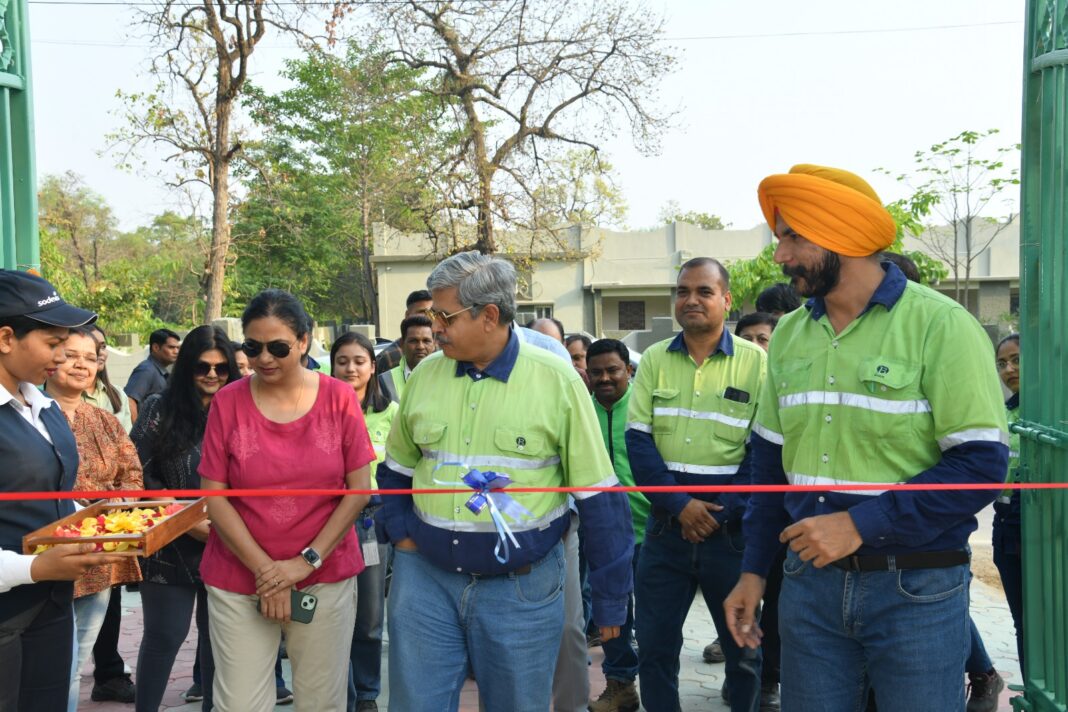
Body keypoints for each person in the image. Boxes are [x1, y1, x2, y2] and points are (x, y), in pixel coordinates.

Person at [725, 164, 1009, 711]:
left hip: (917, 591)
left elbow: (979, 466)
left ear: (844, 236)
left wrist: (860, 524)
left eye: (792, 237)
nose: (780, 256)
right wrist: (754, 570)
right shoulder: (788, 336)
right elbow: (768, 468)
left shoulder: (942, 326)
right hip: (809, 587)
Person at [377, 251, 634, 712]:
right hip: (425, 585)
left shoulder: (558, 381)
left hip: (522, 591)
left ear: (490, 315)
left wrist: (613, 599)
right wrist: (403, 540)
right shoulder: (424, 376)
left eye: (444, 315)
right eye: (431, 315)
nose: (435, 328)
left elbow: (599, 499)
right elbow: (394, 471)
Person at [198, 289, 374, 712]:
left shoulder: (339, 397)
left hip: (323, 574)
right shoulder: (227, 401)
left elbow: (359, 490)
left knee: (321, 701)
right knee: (238, 704)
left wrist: (304, 563)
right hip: (239, 577)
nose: (264, 359)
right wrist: (267, 571)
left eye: (278, 347)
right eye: (252, 347)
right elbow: (214, 496)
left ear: (304, 341)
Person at [626, 257, 765, 712]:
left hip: (732, 532)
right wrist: (681, 506)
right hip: (666, 531)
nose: (691, 300)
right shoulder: (652, 362)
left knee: (743, 652)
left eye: (704, 291)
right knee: (655, 649)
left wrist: (715, 511)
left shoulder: (757, 364)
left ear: (726, 300)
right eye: (683, 291)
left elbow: (763, 451)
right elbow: (639, 444)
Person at [0, 269, 124, 711]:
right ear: (6, 338)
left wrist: (105, 522)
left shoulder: (44, 407)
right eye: (53, 344)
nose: (61, 357)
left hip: (52, 603)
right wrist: (34, 569)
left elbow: (53, 491)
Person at [130, 325, 238, 712]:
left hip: (231, 543)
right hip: (169, 541)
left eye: (221, 368)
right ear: (186, 366)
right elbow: (135, 470)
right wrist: (184, 519)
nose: (212, 375)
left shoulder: (244, 408)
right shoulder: (160, 407)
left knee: (220, 643)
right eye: (202, 367)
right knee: (165, 636)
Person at [42, 326, 145, 711]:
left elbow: (132, 473)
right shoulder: (27, 414)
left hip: (97, 557)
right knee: (48, 659)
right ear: (49, 358)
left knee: (75, 658)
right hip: (41, 554)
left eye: (89, 357)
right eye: (70, 355)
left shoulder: (104, 420)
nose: (81, 365)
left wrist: (120, 499)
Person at [331, 331, 398, 712]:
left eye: (359, 361)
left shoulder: (391, 411)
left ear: (373, 367)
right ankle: (342, 692)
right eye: (342, 361)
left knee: (370, 617)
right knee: (331, 613)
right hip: (329, 522)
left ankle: (367, 694)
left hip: (373, 523)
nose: (350, 368)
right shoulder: (318, 409)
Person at [587, 338, 648, 712]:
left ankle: (658, 684)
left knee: (655, 618)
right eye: (597, 372)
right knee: (613, 616)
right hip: (603, 535)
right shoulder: (582, 411)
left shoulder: (644, 407)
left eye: (613, 370)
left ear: (629, 370)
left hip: (649, 529)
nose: (605, 378)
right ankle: (620, 685)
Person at [993, 335, 1024, 669]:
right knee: (1023, 621)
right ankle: (1034, 688)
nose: (1009, 369)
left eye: (1016, 359)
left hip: (1041, 517)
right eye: (1002, 363)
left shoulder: (1052, 412)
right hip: (1004, 522)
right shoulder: (1002, 411)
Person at [84, 325, 133, 433]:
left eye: (103, 346)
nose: (100, 352)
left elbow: (127, 440)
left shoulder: (118, 394)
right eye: (93, 346)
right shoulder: (66, 396)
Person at [125, 328, 180, 422]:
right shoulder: (146, 370)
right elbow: (129, 401)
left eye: (177, 348)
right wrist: (136, 434)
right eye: (171, 347)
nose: (176, 351)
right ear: (156, 348)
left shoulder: (159, 371)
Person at [378, 315, 435, 404]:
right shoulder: (384, 381)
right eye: (413, 341)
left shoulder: (447, 377)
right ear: (402, 344)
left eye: (426, 341)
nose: (420, 346)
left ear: (434, 344)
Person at [376, 290, 434, 374]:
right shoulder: (388, 358)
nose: (428, 317)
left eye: (432, 313)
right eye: (422, 312)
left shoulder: (446, 350)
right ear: (407, 315)